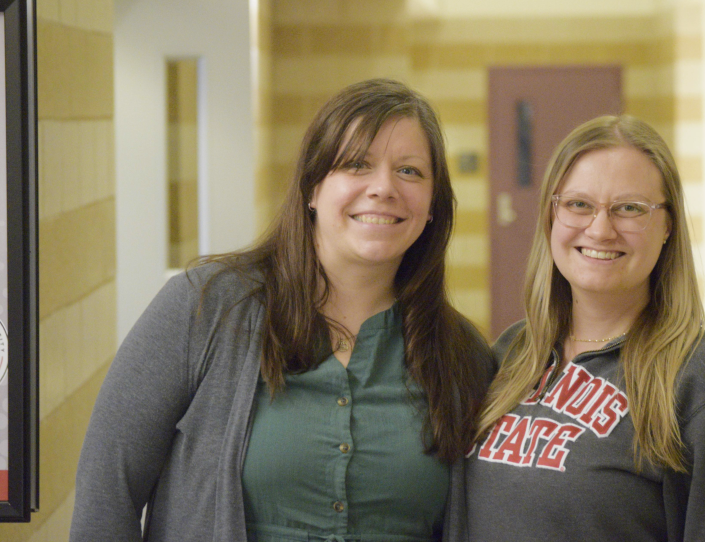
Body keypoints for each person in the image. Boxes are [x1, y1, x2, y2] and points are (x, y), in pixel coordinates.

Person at [70, 78, 494, 542]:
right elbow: (105, 493)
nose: (383, 188)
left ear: (432, 204)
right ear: (312, 187)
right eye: (357, 164)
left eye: (409, 171)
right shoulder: (205, 307)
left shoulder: (464, 356)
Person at [447, 115, 705, 541]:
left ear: (668, 226)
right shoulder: (512, 353)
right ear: (551, 216)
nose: (601, 229)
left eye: (629, 208)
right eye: (578, 204)